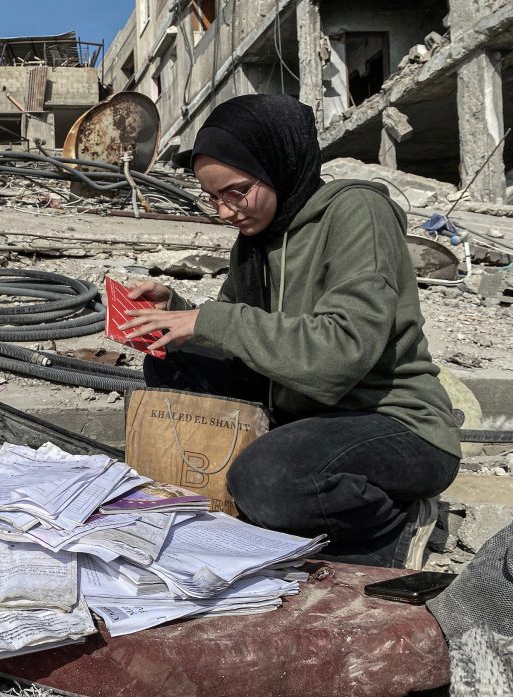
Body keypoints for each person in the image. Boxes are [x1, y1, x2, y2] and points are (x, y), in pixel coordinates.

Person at [119, 94, 461, 569]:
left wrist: (209, 321)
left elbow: (341, 352)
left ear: (279, 164)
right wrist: (176, 313)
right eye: (214, 198)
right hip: (303, 409)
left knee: (267, 481)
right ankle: (237, 484)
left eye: (237, 192)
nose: (226, 211)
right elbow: (239, 327)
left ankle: (393, 526)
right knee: (173, 358)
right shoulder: (259, 236)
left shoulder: (357, 212)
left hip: (390, 421)